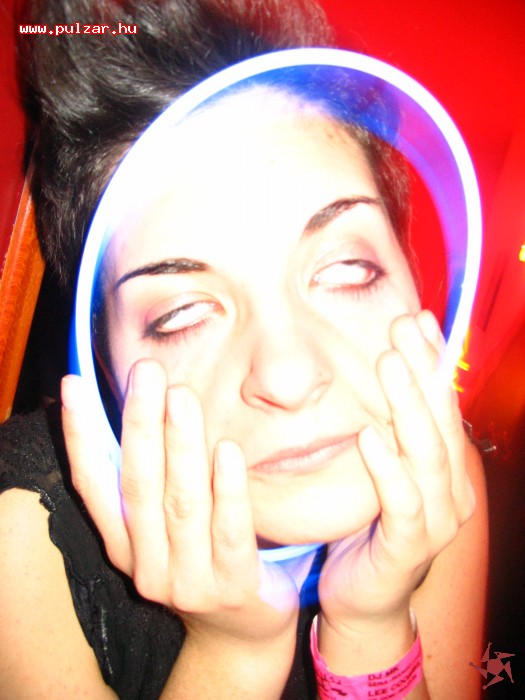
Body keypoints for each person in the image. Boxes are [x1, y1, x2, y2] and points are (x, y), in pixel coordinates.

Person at [0, 1, 488, 698]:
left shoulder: (436, 480)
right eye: (182, 315)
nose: (287, 375)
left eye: (348, 270)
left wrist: (372, 628)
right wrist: (234, 655)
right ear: (105, 362)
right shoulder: (19, 531)